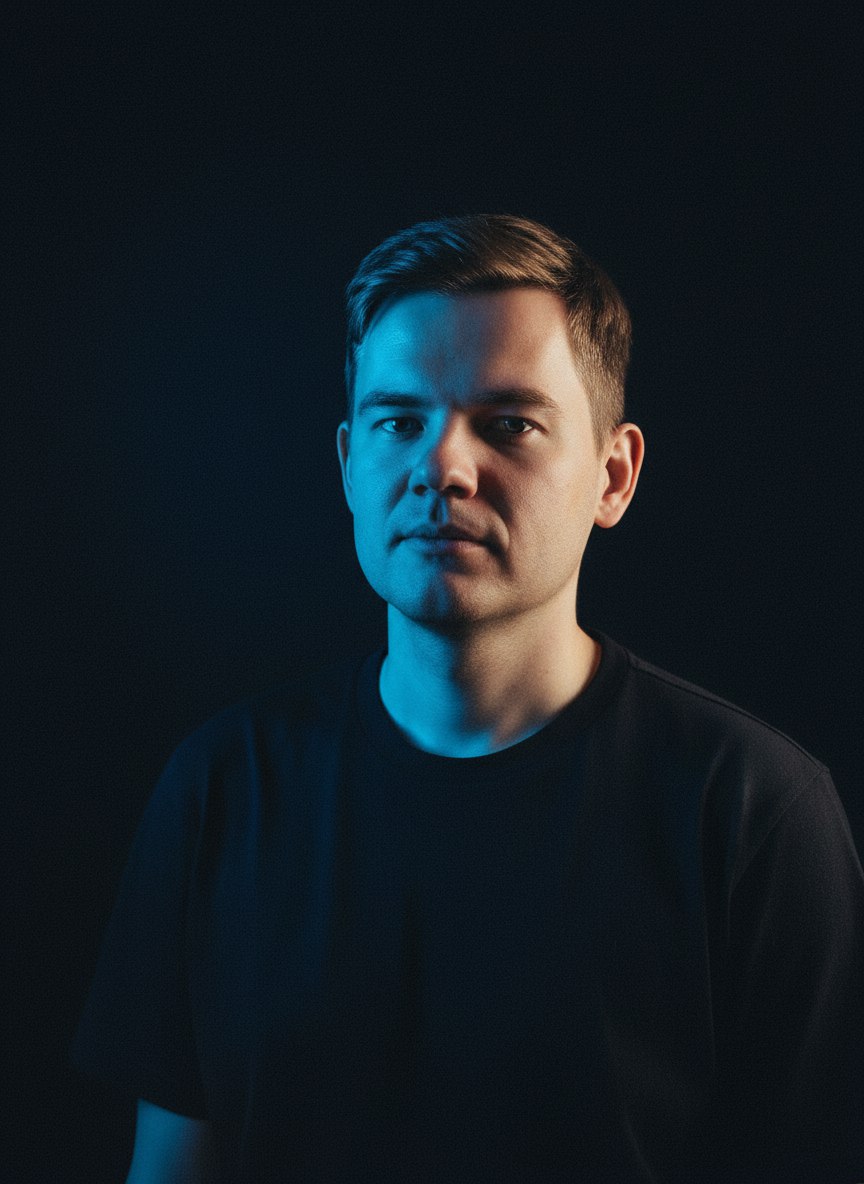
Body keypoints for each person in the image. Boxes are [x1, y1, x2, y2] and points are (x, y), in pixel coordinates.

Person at [73, 214, 864, 1182]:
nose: (443, 467)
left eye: (509, 423)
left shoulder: (752, 815)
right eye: (399, 421)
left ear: (613, 476)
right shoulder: (224, 792)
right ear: (348, 465)